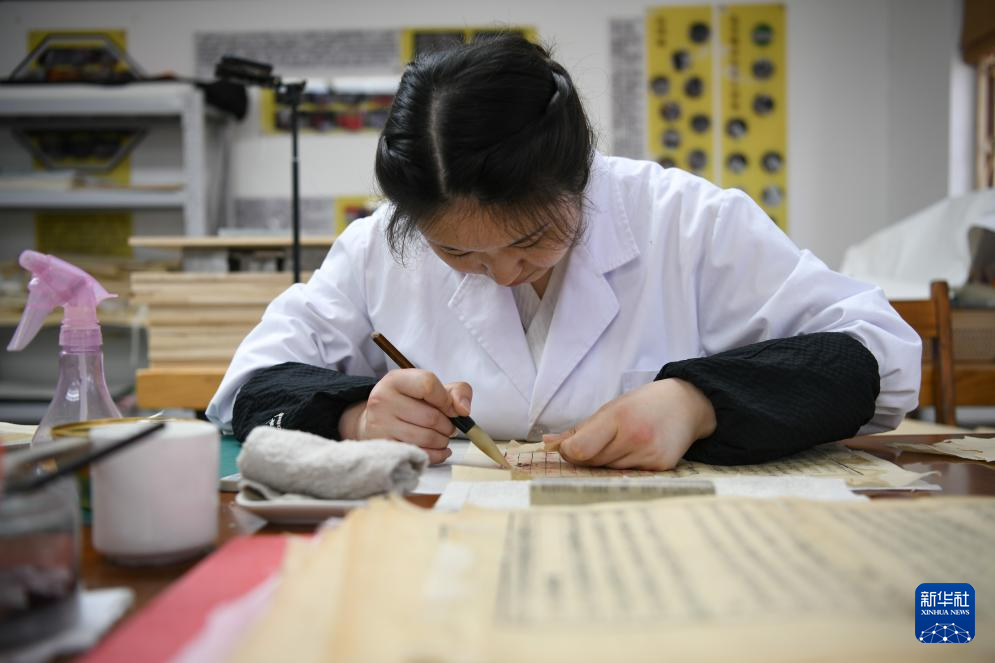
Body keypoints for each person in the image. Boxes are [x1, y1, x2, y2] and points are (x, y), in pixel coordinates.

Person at [206, 34, 921, 470]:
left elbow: (878, 355)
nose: (502, 272)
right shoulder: (376, 247)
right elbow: (250, 387)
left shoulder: (687, 221)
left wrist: (699, 402)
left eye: (529, 239)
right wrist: (354, 416)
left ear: (578, 174)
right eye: (457, 250)